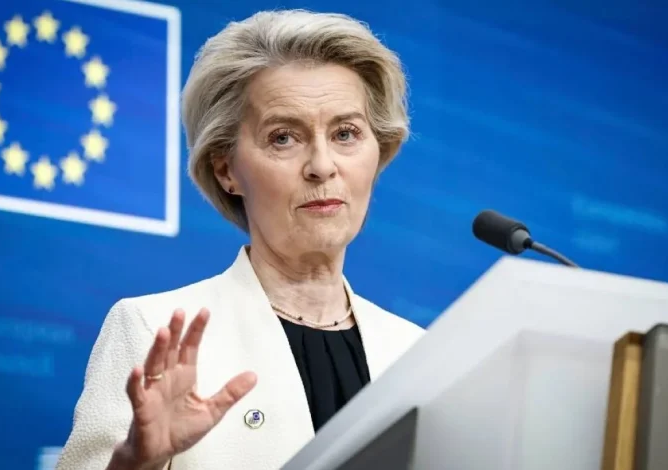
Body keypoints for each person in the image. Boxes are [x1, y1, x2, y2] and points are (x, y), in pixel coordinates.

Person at [56, 9, 424, 470]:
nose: (322, 165)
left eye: (346, 133)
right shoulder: (151, 332)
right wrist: (137, 463)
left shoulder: (417, 354)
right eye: (283, 138)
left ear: (379, 150)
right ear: (226, 169)